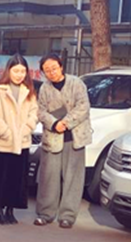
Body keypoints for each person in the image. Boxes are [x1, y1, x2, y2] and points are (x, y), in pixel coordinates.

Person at [34, 53, 93, 228]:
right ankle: (45, 213)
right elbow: (40, 111)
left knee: (73, 178)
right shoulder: (44, 88)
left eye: (54, 68)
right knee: (48, 177)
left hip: (75, 137)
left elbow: (83, 107)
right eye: (47, 70)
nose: (51, 72)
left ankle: (67, 216)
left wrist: (65, 123)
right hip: (52, 137)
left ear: (61, 67)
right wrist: (54, 124)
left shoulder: (77, 83)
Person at [0, 55, 39, 225]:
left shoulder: (29, 91)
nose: (19, 75)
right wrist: (5, 132)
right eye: (16, 71)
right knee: (0, 178)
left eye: (23, 71)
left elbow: (34, 114)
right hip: (1, 143)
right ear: (8, 71)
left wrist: (25, 130)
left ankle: (10, 209)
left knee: (17, 178)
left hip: (21, 142)